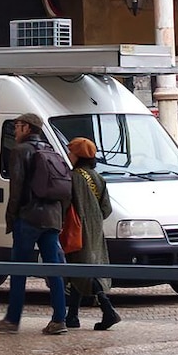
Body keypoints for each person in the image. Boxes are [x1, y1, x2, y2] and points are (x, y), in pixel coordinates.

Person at [0, 113, 72, 335]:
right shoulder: (50, 150)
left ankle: (12, 319)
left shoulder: (20, 151)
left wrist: (11, 216)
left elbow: (16, 188)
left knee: (19, 269)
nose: (15, 131)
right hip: (52, 218)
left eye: (16, 126)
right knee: (53, 268)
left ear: (26, 128)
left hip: (29, 217)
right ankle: (59, 319)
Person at [65, 136, 120, 331]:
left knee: (81, 268)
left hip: (78, 228)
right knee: (84, 266)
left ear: (77, 156)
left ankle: (108, 309)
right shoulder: (99, 178)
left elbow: (65, 204)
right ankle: (72, 315)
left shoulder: (72, 177)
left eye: (70, 152)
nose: (68, 156)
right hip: (95, 229)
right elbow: (106, 209)